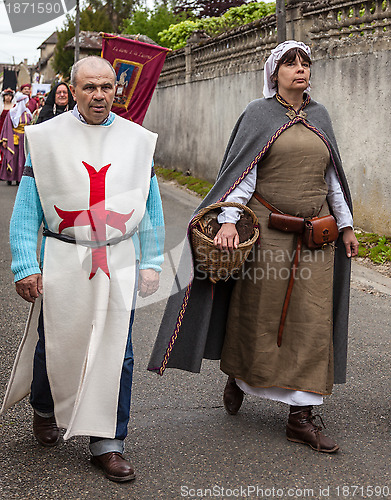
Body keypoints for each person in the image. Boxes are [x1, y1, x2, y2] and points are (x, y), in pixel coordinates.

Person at [148, 41, 358, 453]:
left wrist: (347, 226)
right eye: (290, 64)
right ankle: (241, 376)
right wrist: (227, 222)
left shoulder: (321, 117)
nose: (300, 70)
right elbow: (242, 175)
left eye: (305, 64)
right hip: (266, 234)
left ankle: (301, 416)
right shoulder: (257, 115)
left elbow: (333, 179)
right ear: (273, 73)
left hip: (315, 236)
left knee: (313, 320)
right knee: (258, 317)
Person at [1, 56, 165, 482]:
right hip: (63, 256)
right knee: (55, 343)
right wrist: (24, 263)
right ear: (72, 90)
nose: (99, 95)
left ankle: (108, 442)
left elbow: (150, 209)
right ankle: (44, 406)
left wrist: (151, 261)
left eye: (107, 87)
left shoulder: (138, 140)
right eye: (89, 87)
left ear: (117, 90)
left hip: (118, 258)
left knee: (119, 352)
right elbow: (27, 209)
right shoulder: (47, 137)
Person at [0, 92, 32, 185]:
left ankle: (19, 178)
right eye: (26, 102)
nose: (28, 104)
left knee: (22, 158)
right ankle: (9, 178)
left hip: (24, 139)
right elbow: (7, 127)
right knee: (12, 158)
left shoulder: (28, 113)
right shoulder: (12, 113)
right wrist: (5, 139)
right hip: (13, 138)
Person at [0, 88, 15, 170]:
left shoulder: (14, 106)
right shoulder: (1, 106)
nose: (8, 97)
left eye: (10, 96)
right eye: (7, 95)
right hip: (0, 128)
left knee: (8, 148)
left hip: (9, 130)